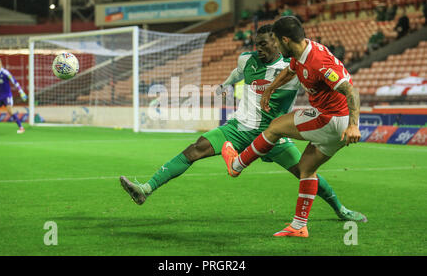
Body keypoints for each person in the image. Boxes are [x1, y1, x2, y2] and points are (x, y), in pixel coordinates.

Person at [119, 25, 366, 223]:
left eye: (265, 44)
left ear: (279, 44)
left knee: (305, 171)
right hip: (238, 128)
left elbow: (324, 83)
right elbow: (238, 74)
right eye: (256, 44)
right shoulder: (246, 60)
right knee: (195, 148)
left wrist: (342, 117)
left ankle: (340, 209)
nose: (258, 49)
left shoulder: (293, 68)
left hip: (274, 136)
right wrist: (225, 85)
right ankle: (146, 189)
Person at [221, 16, 366, 238]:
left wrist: (354, 126)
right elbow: (290, 70)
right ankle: (299, 226)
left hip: (331, 119)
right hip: (334, 124)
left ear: (285, 40)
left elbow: (351, 91)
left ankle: (237, 165)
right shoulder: (302, 52)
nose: (276, 47)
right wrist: (269, 90)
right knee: (306, 168)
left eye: (277, 42)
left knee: (275, 126)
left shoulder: (317, 61)